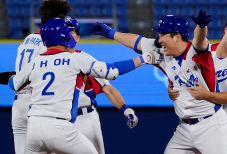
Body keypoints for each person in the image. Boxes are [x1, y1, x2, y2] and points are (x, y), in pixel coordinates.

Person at [8, 18, 160, 153]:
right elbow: (113, 71)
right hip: (60, 128)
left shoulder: (34, 62)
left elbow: (13, 84)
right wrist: (143, 58)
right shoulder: (76, 58)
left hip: (34, 127)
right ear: (64, 36)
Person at [89, 14, 227, 153]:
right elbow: (137, 41)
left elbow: (200, 40)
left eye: (163, 34)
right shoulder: (161, 51)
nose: (159, 38)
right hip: (185, 128)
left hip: (211, 126)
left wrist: (201, 26)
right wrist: (111, 33)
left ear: (177, 36)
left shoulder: (197, 52)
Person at [169, 11, 227, 154]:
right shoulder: (204, 52)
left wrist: (206, 95)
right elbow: (198, 42)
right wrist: (173, 92)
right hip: (207, 122)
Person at [66, 17, 138, 154]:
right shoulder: (46, 59)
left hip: (86, 118)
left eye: (72, 31)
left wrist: (125, 109)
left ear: (78, 37)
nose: (68, 34)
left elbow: (107, 88)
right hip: (61, 120)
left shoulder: (84, 59)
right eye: (65, 30)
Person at [9, 1, 71, 153]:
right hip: (37, 104)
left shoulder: (27, 39)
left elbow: (18, 77)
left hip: (18, 104)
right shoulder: (49, 43)